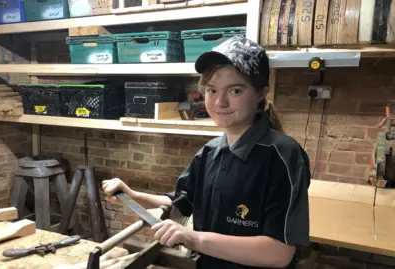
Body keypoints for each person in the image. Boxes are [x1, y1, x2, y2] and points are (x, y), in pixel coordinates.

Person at [102, 36, 311, 269]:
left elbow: (278, 253)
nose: (220, 102)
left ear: (261, 93)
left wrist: (193, 238)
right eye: (212, 91)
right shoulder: (210, 153)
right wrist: (132, 195)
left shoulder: (283, 155)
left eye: (235, 91)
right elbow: (180, 203)